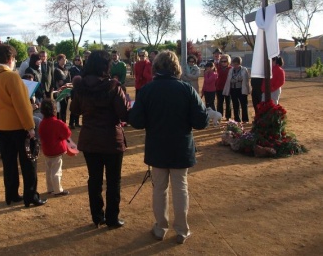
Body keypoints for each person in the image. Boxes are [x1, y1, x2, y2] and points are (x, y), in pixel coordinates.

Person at [128, 51, 208, 244]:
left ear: (156, 67)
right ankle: (181, 230)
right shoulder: (186, 89)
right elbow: (201, 121)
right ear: (176, 68)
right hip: (181, 145)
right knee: (180, 188)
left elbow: (136, 121)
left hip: (157, 146)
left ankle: (160, 227)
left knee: (159, 189)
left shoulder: (147, 90)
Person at [70, 50, 130, 229]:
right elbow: (124, 113)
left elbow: (75, 110)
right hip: (111, 139)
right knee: (113, 180)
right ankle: (112, 218)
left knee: (94, 179)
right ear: (106, 66)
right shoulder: (113, 86)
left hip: (90, 139)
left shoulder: (81, 86)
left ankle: (97, 216)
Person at [0, 44, 46, 207]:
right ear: (10, 59)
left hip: (0, 125)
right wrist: (30, 127)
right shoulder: (12, 77)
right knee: (29, 163)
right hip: (17, 126)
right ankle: (30, 196)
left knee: (9, 163)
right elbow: (21, 105)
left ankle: (11, 194)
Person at [38, 99, 71, 197]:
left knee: (48, 170)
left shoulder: (42, 123)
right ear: (54, 110)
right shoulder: (58, 123)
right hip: (56, 150)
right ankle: (57, 190)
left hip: (47, 150)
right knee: (56, 171)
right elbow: (67, 133)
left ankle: (50, 188)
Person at [223, 56, 250, 123]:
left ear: (239, 64)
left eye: (235, 64)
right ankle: (237, 119)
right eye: (233, 64)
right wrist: (237, 79)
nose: (234, 65)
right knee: (235, 105)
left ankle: (245, 119)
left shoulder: (244, 70)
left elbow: (245, 79)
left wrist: (236, 79)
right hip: (233, 89)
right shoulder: (231, 70)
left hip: (241, 89)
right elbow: (229, 79)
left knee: (244, 104)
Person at [54, 54, 71, 123]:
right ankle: (59, 125)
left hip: (66, 92)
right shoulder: (56, 70)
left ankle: (63, 124)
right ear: (58, 60)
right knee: (59, 109)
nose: (65, 60)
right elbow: (57, 82)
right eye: (63, 59)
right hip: (59, 93)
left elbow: (69, 80)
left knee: (65, 109)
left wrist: (66, 84)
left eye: (65, 59)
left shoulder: (67, 70)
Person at [216, 54, 232, 121]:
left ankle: (228, 116)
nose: (223, 63)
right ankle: (220, 116)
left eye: (225, 61)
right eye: (222, 61)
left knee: (228, 102)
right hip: (219, 87)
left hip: (228, 88)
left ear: (228, 61)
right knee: (220, 103)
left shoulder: (231, 69)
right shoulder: (217, 68)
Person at [68, 55, 83, 129]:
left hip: (81, 90)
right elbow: (70, 80)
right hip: (74, 90)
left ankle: (77, 122)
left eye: (79, 60)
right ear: (74, 61)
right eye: (76, 60)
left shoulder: (83, 69)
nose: (77, 61)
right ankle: (71, 123)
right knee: (74, 106)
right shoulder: (71, 69)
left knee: (80, 107)